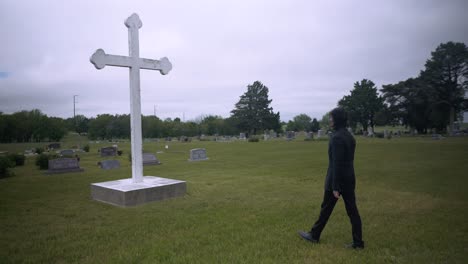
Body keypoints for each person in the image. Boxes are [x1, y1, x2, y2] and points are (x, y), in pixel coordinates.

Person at [298, 107, 364, 249]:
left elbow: (337, 163)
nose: (330, 120)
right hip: (349, 177)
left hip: (336, 179)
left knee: (326, 208)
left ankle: (314, 235)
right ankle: (358, 243)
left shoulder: (336, 138)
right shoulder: (349, 136)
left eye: (331, 118)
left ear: (337, 120)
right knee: (352, 211)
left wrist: (335, 186)